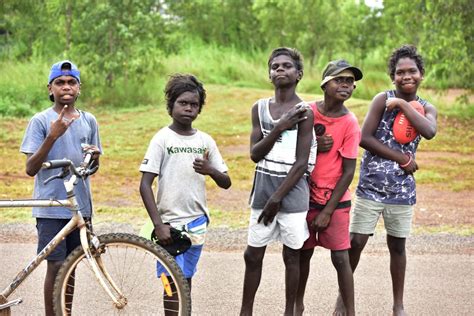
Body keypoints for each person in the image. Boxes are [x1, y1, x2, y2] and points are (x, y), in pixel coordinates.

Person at [338, 45, 438, 316]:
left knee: (397, 246)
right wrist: (401, 158)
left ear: (421, 74)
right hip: (371, 186)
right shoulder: (382, 99)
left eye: (412, 71)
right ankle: (342, 299)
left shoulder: (427, 108)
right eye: (400, 72)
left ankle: (398, 305)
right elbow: (365, 138)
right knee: (356, 242)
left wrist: (404, 104)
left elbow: (429, 131)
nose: (407, 76)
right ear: (392, 77)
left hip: (401, 190)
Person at [139, 74, 231, 313]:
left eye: (194, 104)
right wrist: (158, 224)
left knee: (186, 279)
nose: (189, 108)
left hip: (197, 223)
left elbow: (226, 182)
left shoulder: (205, 141)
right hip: (168, 225)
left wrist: (210, 170)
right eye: (183, 103)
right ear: (171, 106)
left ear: (199, 108)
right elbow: (145, 184)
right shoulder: (162, 139)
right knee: (169, 282)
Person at [20, 60, 102, 316]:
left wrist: (94, 159)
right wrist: (53, 135)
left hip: (80, 207)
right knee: (55, 267)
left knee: (71, 267)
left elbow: (91, 168)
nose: (66, 87)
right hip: (52, 208)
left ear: (79, 88)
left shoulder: (89, 120)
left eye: (71, 82)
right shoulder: (41, 120)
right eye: (60, 82)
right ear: (50, 88)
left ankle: (64, 312)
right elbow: (31, 167)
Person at [240, 47, 316, 316]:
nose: (280, 70)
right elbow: (255, 153)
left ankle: (289, 311)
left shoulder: (305, 112)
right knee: (253, 255)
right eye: (275, 66)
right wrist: (281, 125)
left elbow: (301, 163)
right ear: (269, 74)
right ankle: (245, 311)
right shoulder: (259, 109)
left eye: (286, 66)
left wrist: (278, 198)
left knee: (292, 255)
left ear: (299, 74)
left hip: (292, 197)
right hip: (262, 193)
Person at [296, 60, 363, 316]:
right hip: (304, 198)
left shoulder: (349, 123)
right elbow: (293, 147)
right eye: (339, 80)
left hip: (334, 202)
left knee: (340, 258)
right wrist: (313, 141)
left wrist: (327, 211)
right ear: (324, 84)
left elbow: (348, 172)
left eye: (350, 81)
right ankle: (297, 305)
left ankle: (349, 310)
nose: (345, 85)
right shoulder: (308, 111)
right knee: (303, 255)